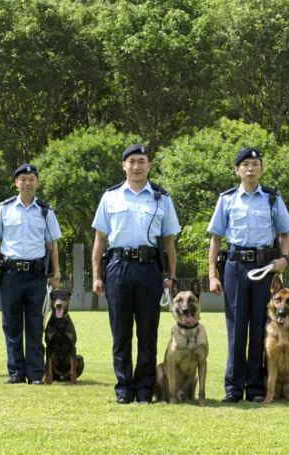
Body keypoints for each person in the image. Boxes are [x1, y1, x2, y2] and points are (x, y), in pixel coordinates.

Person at [91, 144, 180, 404]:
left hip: (149, 268)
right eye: (132, 161)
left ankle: (144, 389)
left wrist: (172, 276)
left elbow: (169, 241)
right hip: (118, 267)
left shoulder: (162, 198)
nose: (137, 166)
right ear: (124, 165)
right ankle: (124, 388)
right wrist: (97, 275)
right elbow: (99, 239)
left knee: (147, 332)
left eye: (142, 161)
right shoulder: (110, 197)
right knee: (120, 333)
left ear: (149, 165)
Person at [208, 147, 289, 403]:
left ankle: (256, 388)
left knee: (260, 325)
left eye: (255, 164)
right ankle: (233, 388)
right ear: (237, 170)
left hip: (265, 267)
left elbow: (285, 234)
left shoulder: (271, 198)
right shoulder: (226, 199)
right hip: (235, 266)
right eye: (245, 164)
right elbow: (215, 238)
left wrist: (284, 259)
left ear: (262, 169)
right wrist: (213, 274)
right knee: (236, 327)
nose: (250, 168)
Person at [0, 163, 61, 385]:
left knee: (36, 325)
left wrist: (55, 274)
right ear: (16, 182)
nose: (27, 183)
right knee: (11, 325)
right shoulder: (4, 209)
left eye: (31, 179)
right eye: (23, 179)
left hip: (37, 276)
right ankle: (16, 372)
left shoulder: (46, 211)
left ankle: (36, 374)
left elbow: (52, 245)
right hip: (10, 275)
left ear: (37, 182)